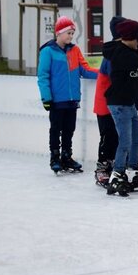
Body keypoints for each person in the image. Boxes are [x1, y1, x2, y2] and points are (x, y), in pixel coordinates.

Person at [37, 15, 98, 174]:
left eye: (72, 33)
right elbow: (43, 76)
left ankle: (66, 156)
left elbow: (84, 70)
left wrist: (103, 73)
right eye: (68, 33)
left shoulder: (75, 50)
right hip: (56, 100)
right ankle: (55, 157)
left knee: (69, 129)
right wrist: (46, 98)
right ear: (58, 33)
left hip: (72, 99)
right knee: (56, 129)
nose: (71, 36)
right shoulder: (48, 51)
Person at [102, 19, 138, 196]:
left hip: (129, 103)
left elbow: (132, 76)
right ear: (131, 38)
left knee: (137, 138)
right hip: (118, 104)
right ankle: (117, 174)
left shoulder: (129, 51)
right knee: (125, 141)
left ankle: (132, 170)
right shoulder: (121, 53)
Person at [92, 15, 126, 187]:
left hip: (115, 103)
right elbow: (116, 77)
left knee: (116, 136)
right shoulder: (112, 54)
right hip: (105, 105)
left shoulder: (119, 51)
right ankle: (102, 167)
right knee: (108, 136)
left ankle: (112, 163)